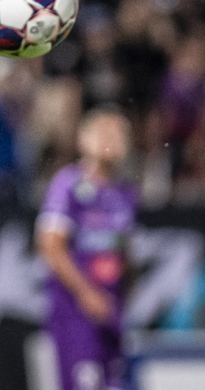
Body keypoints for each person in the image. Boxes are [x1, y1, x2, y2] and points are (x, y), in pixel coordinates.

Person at [36, 107, 137, 390]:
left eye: (118, 134)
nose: (111, 140)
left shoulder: (126, 192)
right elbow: (50, 247)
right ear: (84, 140)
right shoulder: (68, 185)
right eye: (104, 132)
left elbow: (124, 253)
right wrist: (86, 294)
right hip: (76, 315)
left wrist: (126, 297)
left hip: (111, 311)